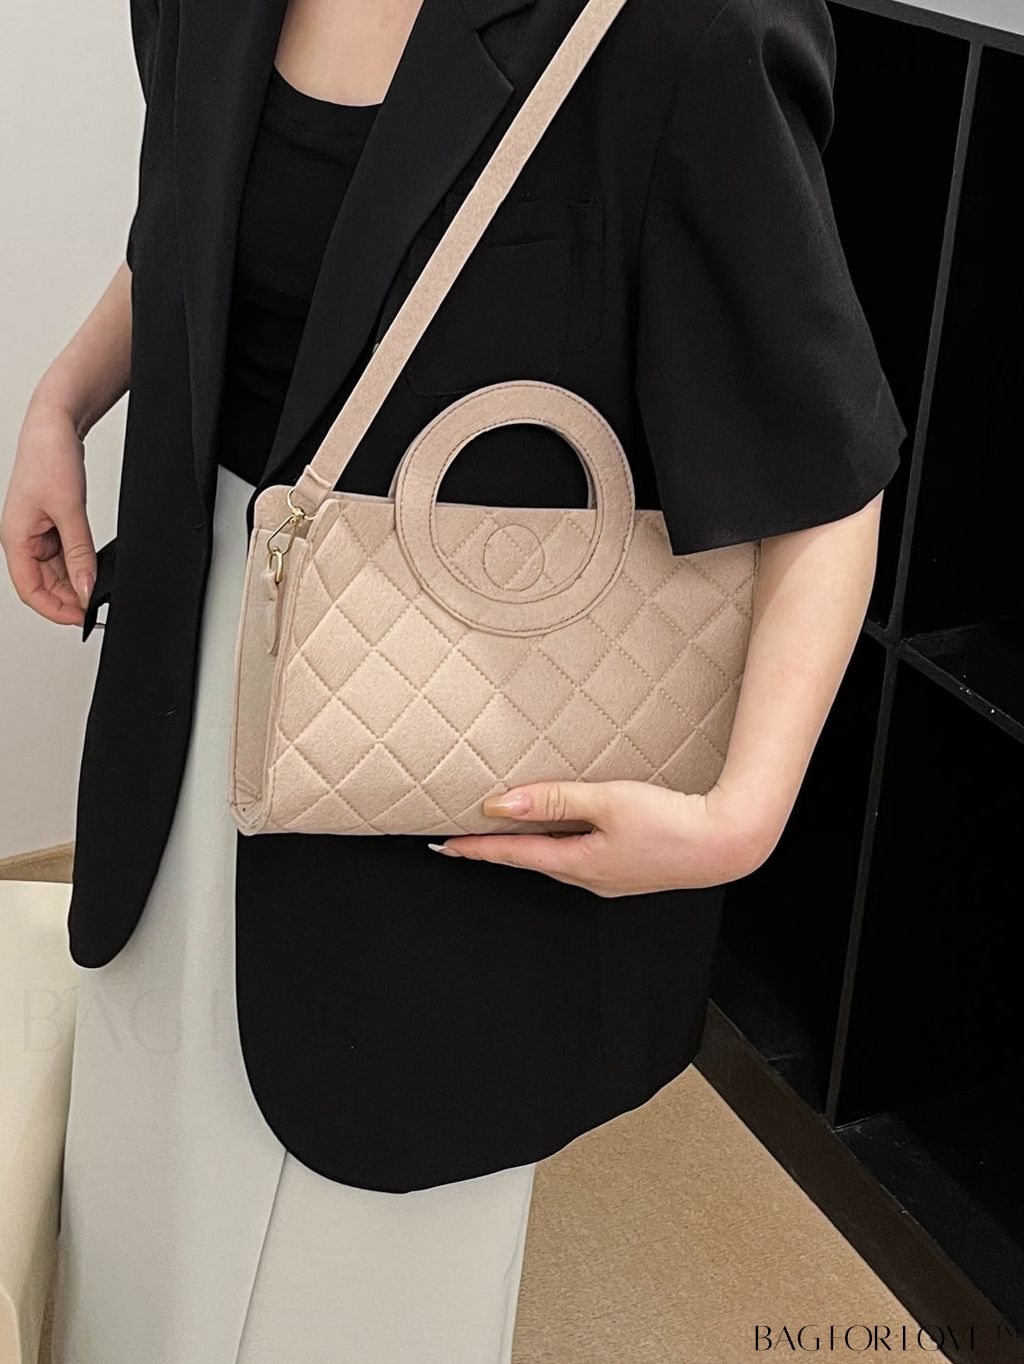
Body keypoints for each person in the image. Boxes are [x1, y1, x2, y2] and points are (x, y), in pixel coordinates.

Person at [1, 0, 907, 1358]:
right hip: (180, 691)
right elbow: (198, 219)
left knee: (360, 1274)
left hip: (440, 742)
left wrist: (743, 815)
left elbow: (823, 471)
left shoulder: (683, 28)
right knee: (145, 1202)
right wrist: (64, 401)